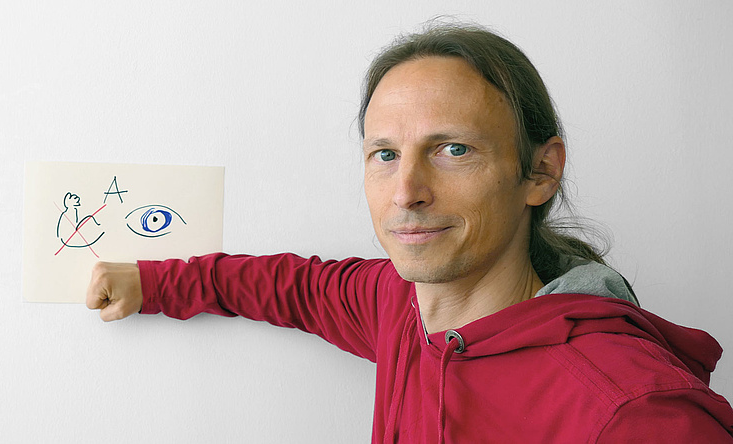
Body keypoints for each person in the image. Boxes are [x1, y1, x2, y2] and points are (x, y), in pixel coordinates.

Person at [85, 22, 733, 443]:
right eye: (386, 154)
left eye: (452, 150)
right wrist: (150, 282)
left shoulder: (636, 413)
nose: (406, 192)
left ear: (539, 172)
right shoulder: (396, 304)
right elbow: (295, 288)